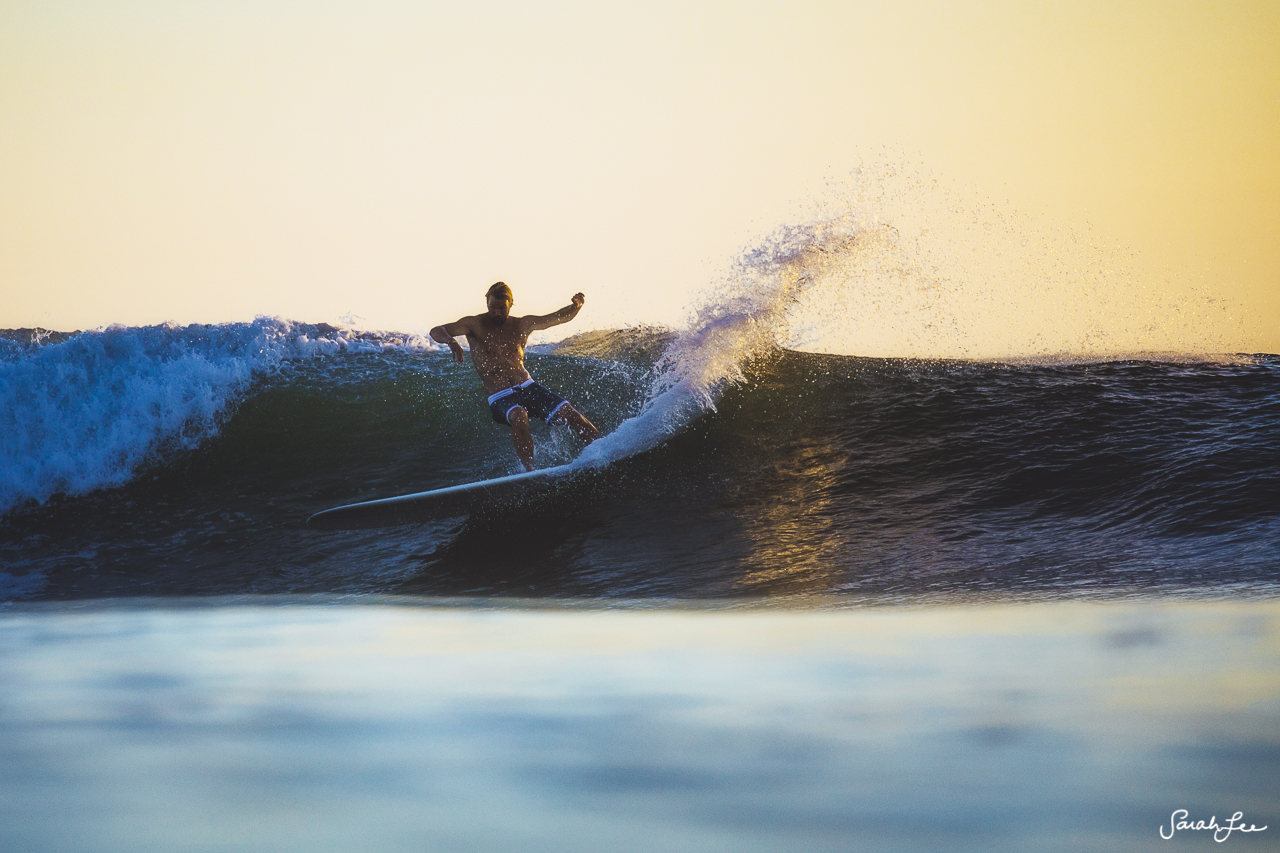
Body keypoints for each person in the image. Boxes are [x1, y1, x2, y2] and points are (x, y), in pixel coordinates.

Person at [430, 282, 601, 471]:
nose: (496, 312)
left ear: (510, 304)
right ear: (487, 303)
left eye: (501, 308)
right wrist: (451, 341)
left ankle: (603, 452)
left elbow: (558, 318)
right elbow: (436, 330)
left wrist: (576, 306)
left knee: (570, 413)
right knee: (519, 415)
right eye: (492, 307)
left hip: (528, 386)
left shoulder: (522, 324)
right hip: (500, 396)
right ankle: (529, 472)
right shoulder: (475, 324)